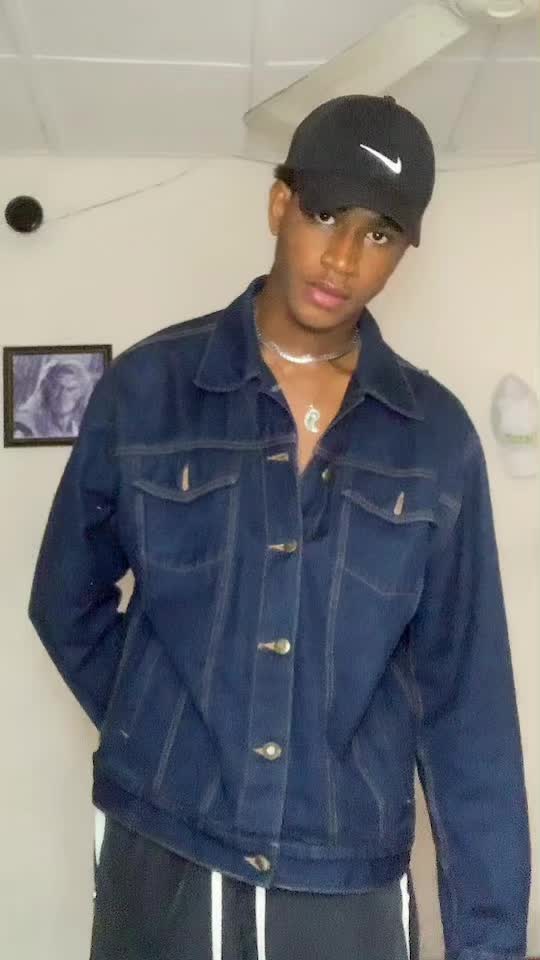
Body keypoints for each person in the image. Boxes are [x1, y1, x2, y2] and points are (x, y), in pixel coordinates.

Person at [29, 95, 530, 960]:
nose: (343, 257)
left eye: (379, 234)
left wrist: (489, 943)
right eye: (325, 214)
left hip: (344, 875)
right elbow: (65, 598)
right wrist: (168, 730)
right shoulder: (148, 391)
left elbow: (467, 705)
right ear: (279, 204)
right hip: (164, 850)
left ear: (404, 252)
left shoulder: (435, 439)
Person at [14, 357, 95, 439]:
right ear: (47, 389)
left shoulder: (78, 427)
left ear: (81, 393)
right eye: (56, 387)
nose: (62, 395)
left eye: (70, 389)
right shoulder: (26, 424)